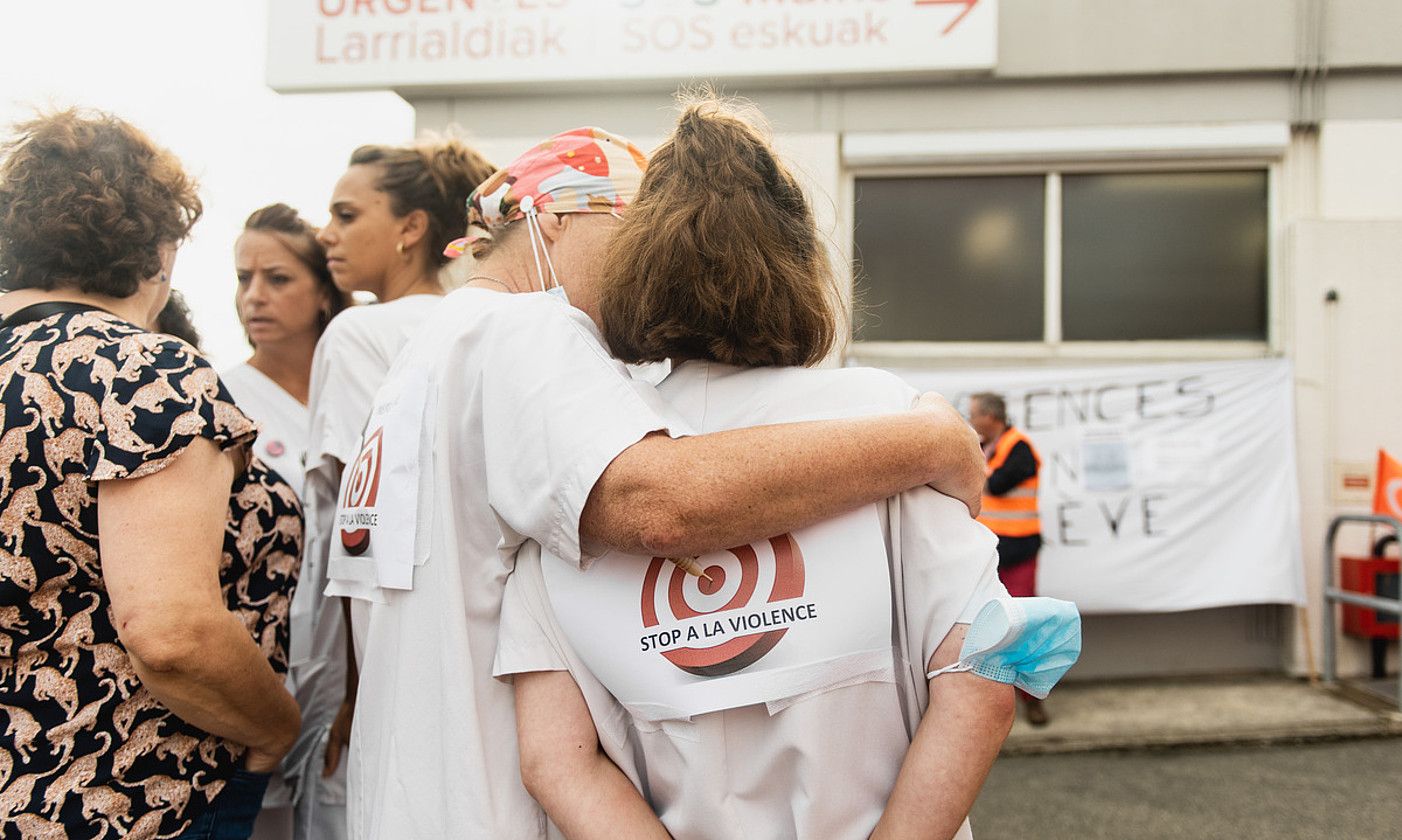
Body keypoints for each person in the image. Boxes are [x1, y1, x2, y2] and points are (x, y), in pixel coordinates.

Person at [333, 125, 991, 839]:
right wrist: (929, 437)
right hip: (488, 812)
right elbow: (662, 503)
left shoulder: (421, 354)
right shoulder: (525, 333)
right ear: (552, 215)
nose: (646, 257)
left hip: (407, 799)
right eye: (633, 228)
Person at [496, 96, 1019, 840]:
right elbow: (983, 677)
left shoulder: (578, 456)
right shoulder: (890, 421)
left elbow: (557, 762)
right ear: (802, 261)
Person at [0, 109, 300, 839]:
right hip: (123, 796)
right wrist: (275, 730)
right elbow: (170, 631)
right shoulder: (142, 369)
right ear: (161, 251)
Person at [304, 137, 496, 803]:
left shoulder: (359, 335)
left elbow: (356, 534)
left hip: (393, 656)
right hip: (488, 646)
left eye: (347, 215)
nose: (326, 233)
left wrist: (348, 698)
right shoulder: (487, 322)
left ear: (411, 228)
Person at [222, 204, 353, 840]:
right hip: (253, 670)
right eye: (243, 278)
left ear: (324, 291)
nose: (254, 296)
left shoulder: (358, 391)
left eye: (277, 278)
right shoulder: (219, 397)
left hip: (343, 668)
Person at [969, 391, 1050, 726]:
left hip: (1017, 550)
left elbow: (999, 485)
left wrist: (971, 463)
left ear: (992, 417)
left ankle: (1033, 699)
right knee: (984, 627)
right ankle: (990, 699)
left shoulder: (1018, 447)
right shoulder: (988, 447)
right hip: (990, 552)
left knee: (1022, 626)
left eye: (974, 415)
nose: (971, 421)